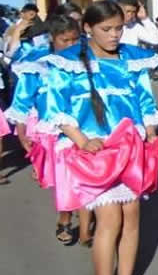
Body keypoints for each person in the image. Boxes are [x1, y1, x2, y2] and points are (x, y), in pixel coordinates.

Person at [39, 0, 158, 275]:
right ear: (87, 28)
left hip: (130, 146)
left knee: (132, 216)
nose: (113, 35)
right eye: (105, 29)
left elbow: (143, 98)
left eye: (118, 28)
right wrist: (83, 140)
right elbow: (56, 108)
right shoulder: (67, 62)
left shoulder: (132, 58)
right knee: (109, 219)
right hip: (95, 151)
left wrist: (150, 132)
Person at [6, 14, 93, 244]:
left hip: (85, 127)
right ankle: (65, 218)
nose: (71, 45)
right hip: (54, 133)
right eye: (65, 40)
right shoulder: (37, 63)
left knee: (84, 177)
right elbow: (22, 101)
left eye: (75, 39)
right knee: (65, 180)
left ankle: (87, 225)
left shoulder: (88, 59)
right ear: (53, 39)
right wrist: (23, 133)